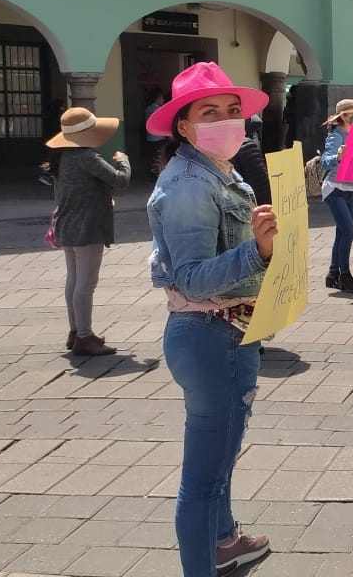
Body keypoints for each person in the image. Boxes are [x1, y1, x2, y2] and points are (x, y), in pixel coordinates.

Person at [145, 61, 275, 577]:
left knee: (223, 456)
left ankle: (224, 542)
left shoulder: (218, 169)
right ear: (183, 124)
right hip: (207, 334)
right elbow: (194, 279)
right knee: (203, 476)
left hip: (232, 329)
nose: (225, 120)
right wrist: (260, 255)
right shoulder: (187, 187)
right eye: (209, 112)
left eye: (232, 110)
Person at [46, 107, 131, 356]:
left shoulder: (62, 157)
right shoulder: (85, 157)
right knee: (86, 283)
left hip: (67, 225)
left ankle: (76, 330)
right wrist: (123, 161)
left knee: (73, 279)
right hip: (87, 227)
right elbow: (120, 180)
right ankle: (85, 336)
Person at [321, 98, 353, 291]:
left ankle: (333, 274)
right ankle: (344, 274)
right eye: (352, 112)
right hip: (335, 187)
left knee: (342, 232)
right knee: (348, 231)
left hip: (351, 186)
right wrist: (338, 156)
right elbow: (325, 161)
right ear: (343, 115)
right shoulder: (337, 134)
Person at [143, 89, 167, 177]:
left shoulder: (148, 108)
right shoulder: (157, 109)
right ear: (157, 98)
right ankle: (155, 174)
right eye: (162, 98)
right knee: (159, 156)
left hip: (150, 137)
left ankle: (152, 172)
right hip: (158, 137)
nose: (163, 100)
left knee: (153, 156)